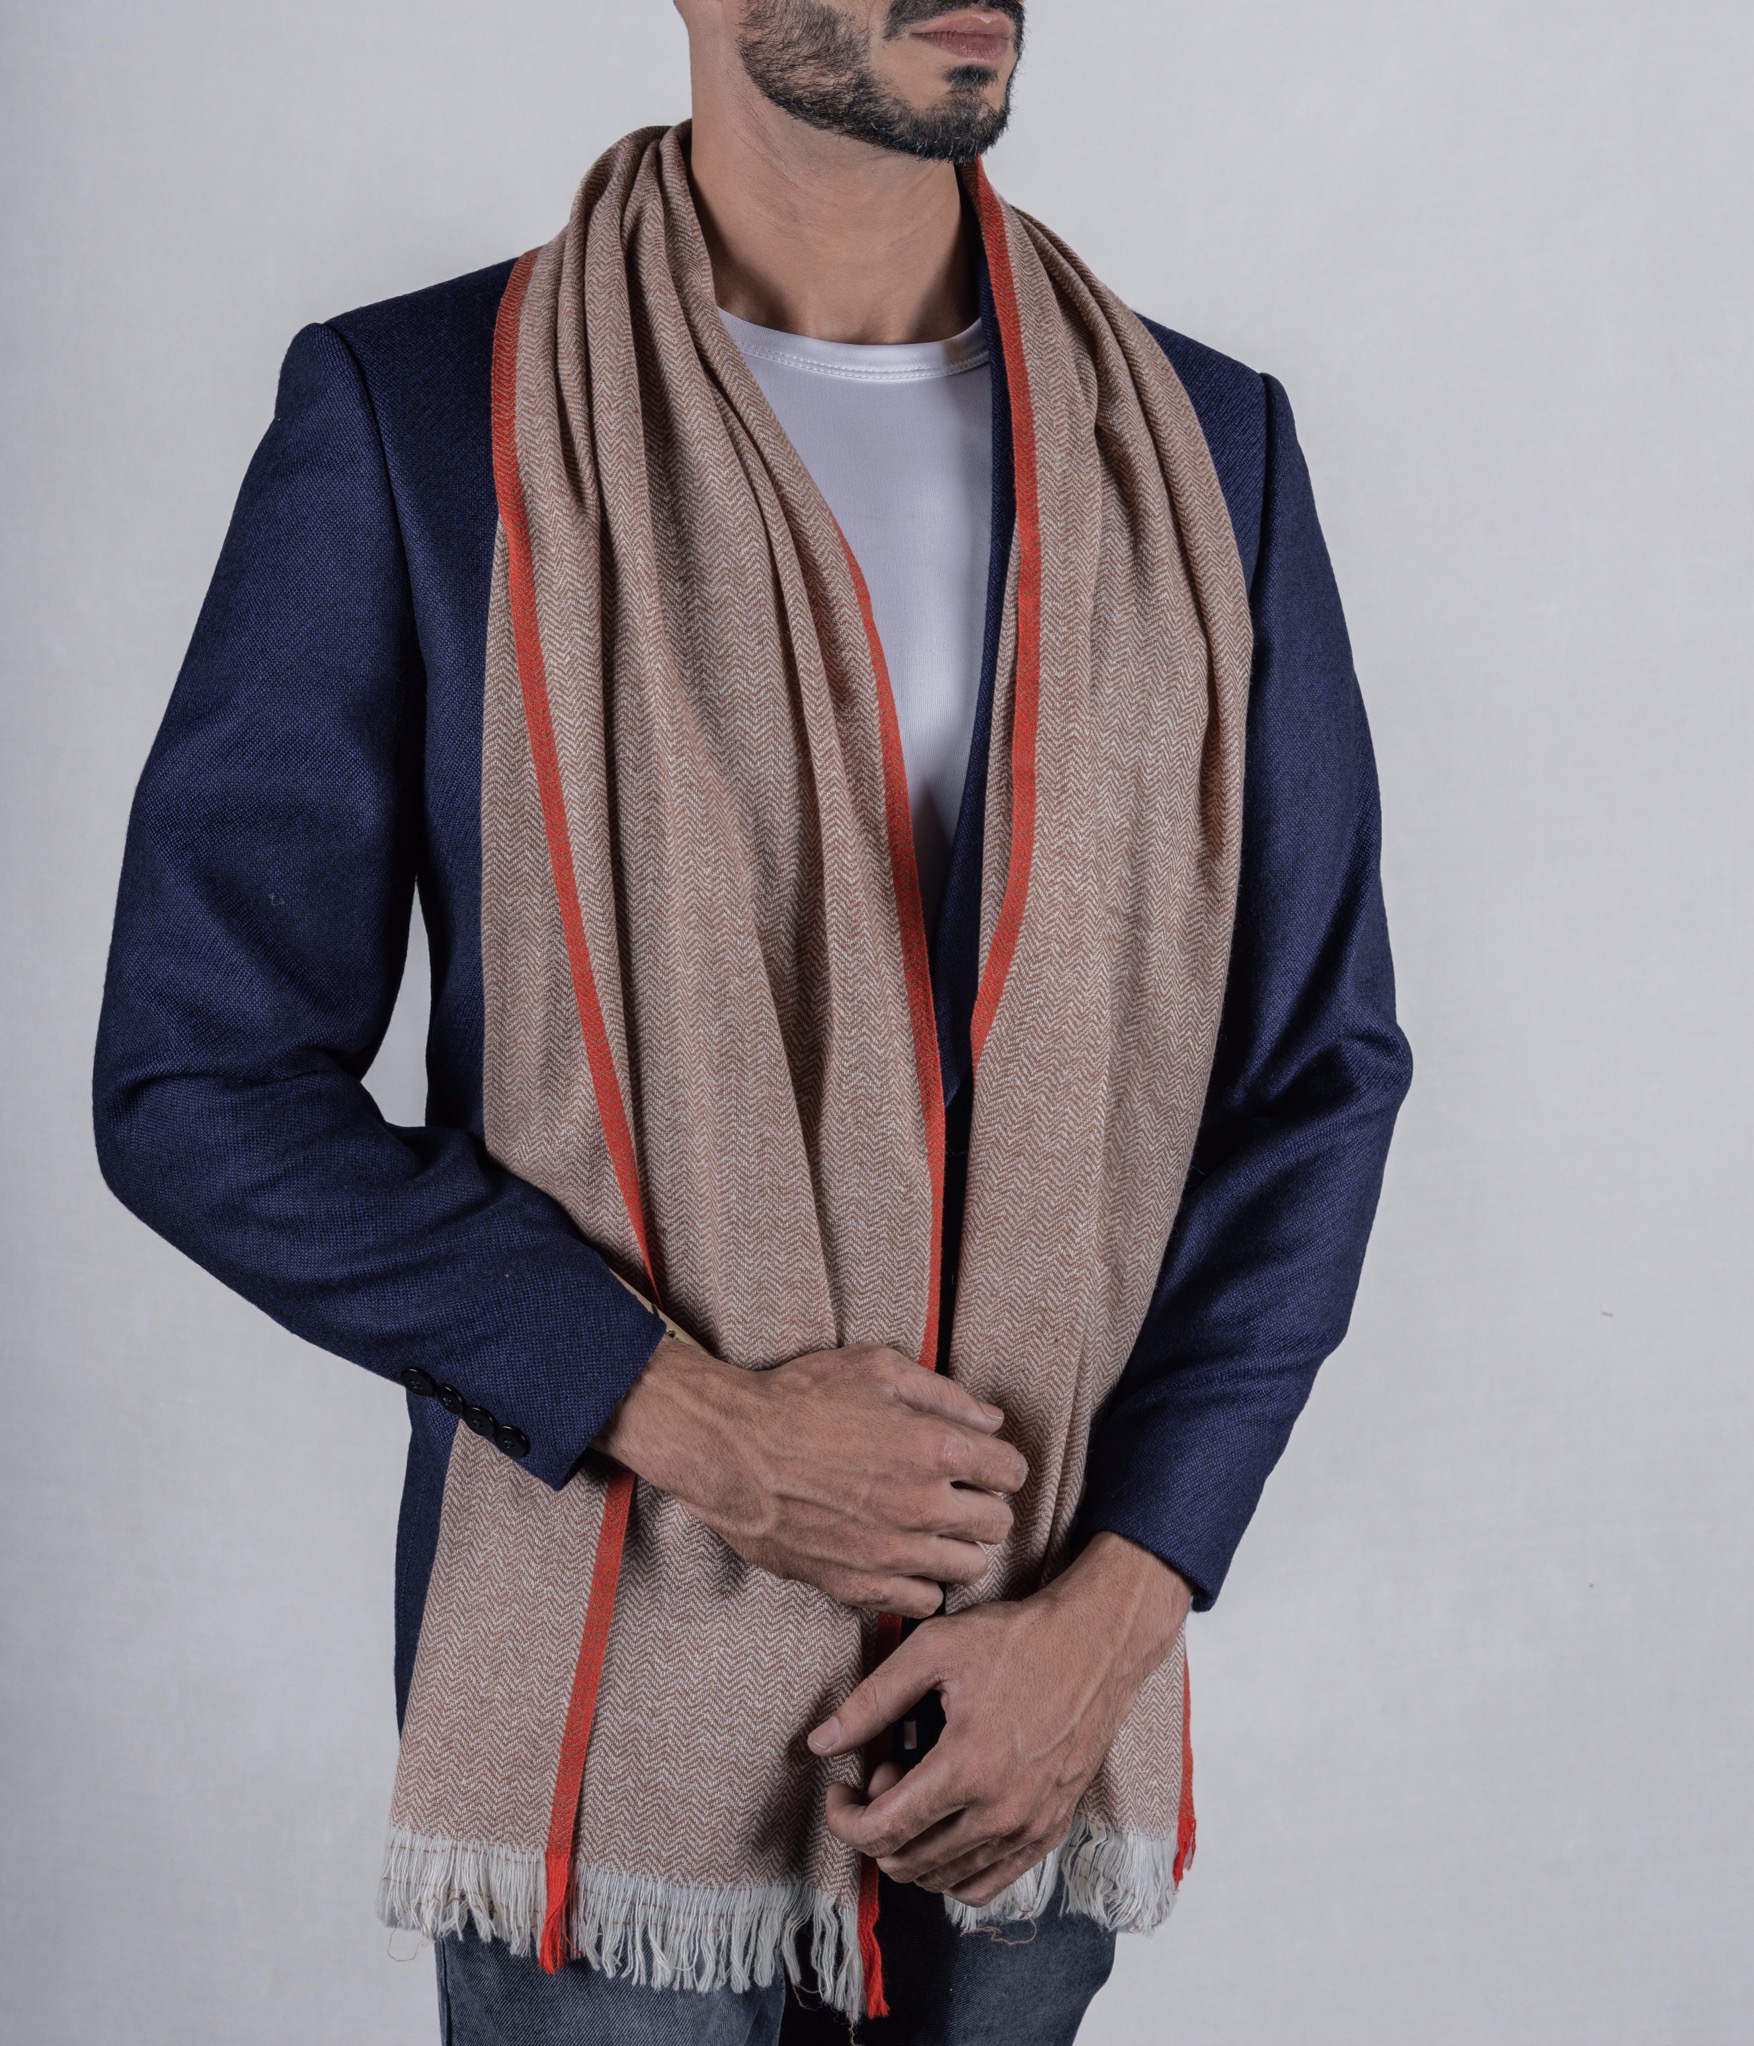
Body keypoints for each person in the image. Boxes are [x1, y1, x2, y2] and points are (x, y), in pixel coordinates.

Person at [93, 2, 1412, 2040]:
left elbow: (1313, 1077)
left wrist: (1123, 1600)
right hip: (609, 1711)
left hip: (1034, 1710)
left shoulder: (1198, 448)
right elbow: (201, 1076)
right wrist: (693, 1421)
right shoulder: (428, 417)